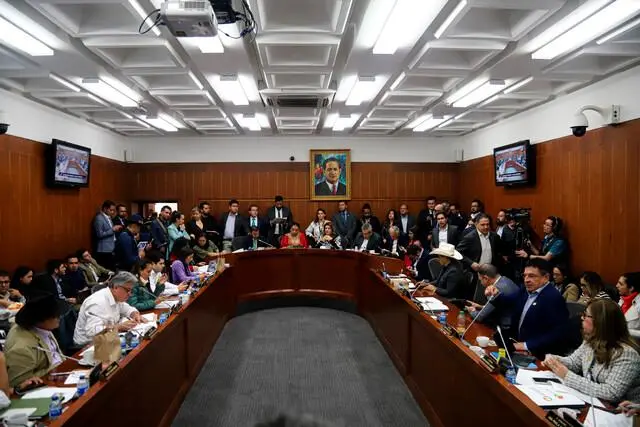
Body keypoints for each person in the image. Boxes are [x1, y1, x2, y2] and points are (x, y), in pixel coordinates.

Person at [543, 299, 640, 403]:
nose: (581, 317)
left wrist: (567, 376)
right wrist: (554, 360)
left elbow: (611, 393)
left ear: (600, 321)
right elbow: (573, 363)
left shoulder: (627, 354)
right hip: (592, 402)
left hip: (619, 412)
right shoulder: (591, 340)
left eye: (586, 315)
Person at [489, 259, 570, 359]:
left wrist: (526, 345)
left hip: (538, 354)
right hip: (515, 346)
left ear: (546, 277)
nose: (526, 279)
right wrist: (495, 294)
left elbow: (558, 333)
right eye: (525, 275)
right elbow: (508, 302)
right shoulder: (525, 290)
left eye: (532, 276)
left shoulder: (554, 298)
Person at [4, 293, 63, 386]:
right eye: (55, 315)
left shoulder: (44, 327)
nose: (59, 317)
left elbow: (58, 356)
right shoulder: (21, 348)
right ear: (40, 319)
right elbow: (19, 383)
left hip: (61, 375)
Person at [73, 272, 144, 346]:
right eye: (128, 290)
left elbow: (126, 308)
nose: (130, 294)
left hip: (107, 338)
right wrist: (118, 327)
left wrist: (134, 314)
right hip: (87, 345)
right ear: (116, 287)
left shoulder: (116, 297)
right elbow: (92, 331)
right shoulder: (97, 303)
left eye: (131, 290)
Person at [93, 200, 121, 270]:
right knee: (108, 270)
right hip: (104, 250)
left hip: (111, 248)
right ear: (105, 209)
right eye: (111, 210)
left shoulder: (108, 217)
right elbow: (99, 234)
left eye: (114, 210)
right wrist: (113, 230)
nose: (113, 212)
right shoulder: (99, 218)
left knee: (112, 270)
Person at [616, 272, 640, 341]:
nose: (616, 286)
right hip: (617, 339)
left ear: (631, 288)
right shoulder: (622, 299)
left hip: (632, 343)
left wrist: (623, 331)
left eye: (620, 284)